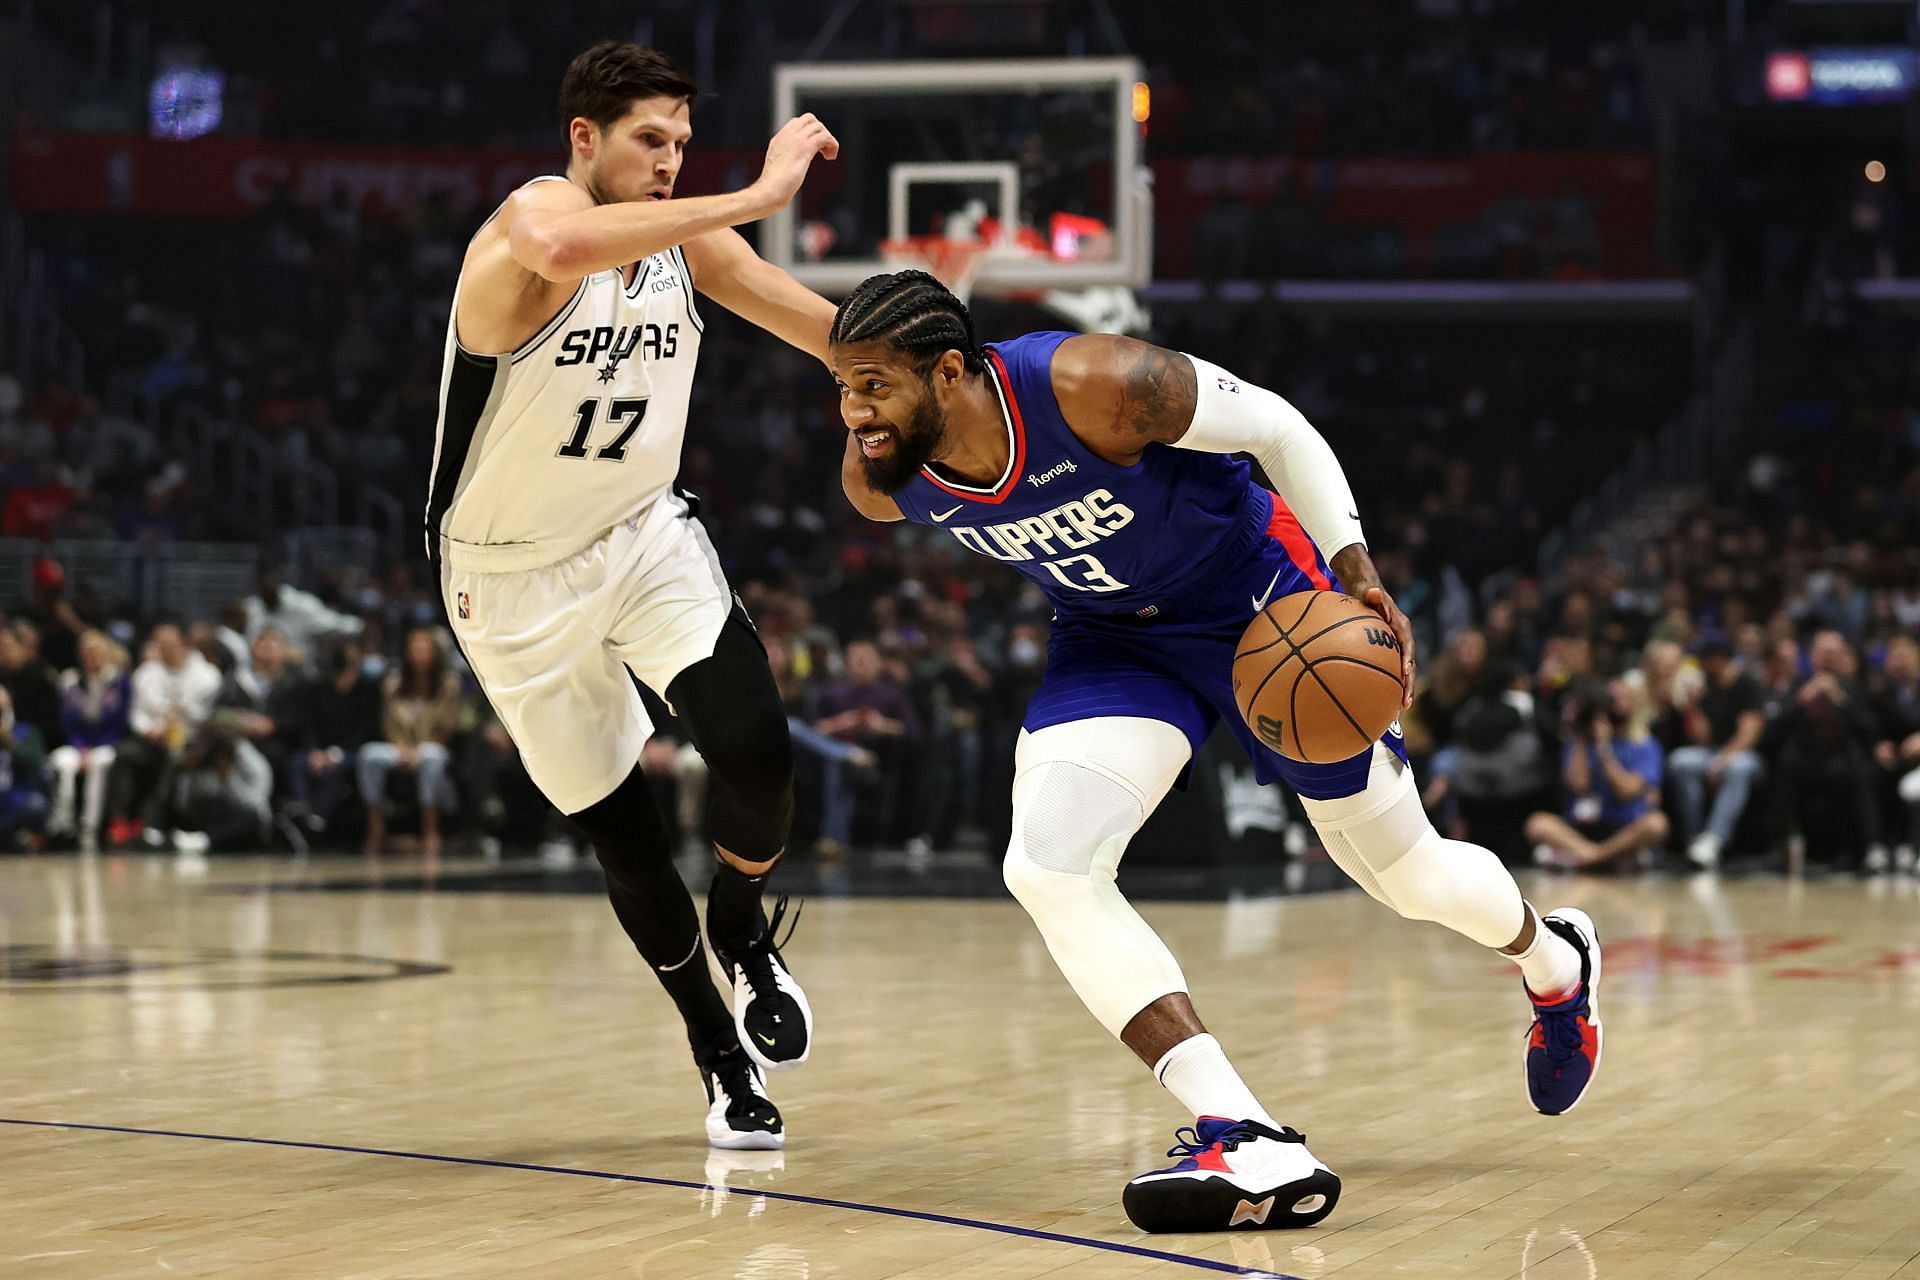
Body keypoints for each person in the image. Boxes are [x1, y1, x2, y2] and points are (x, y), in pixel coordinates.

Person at [830, 271, 1602, 1233]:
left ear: (949, 372)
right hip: (1111, 638)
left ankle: (1554, 956)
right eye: (845, 387)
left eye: (872, 387)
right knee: (1048, 867)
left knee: (1407, 878)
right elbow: (781, 305)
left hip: (1259, 604)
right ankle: (1242, 1129)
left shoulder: (1096, 383)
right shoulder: (885, 478)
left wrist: (1357, 573)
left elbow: (1279, 430)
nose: (855, 413)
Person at [423, 40, 841, 1147]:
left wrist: (960, 374)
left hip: (639, 531)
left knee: (757, 753)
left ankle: (743, 924)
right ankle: (716, 1051)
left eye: (682, 145)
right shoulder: (528, 223)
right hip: (508, 577)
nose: (669, 163)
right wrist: (759, 187)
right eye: (649, 142)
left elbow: (819, 328)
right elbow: (561, 241)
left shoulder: (686, 239)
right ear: (583, 139)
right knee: (629, 838)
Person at [1526, 679, 1669, 869]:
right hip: (1581, 829)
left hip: (1623, 828)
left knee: (1656, 824)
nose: (1616, 703)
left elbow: (1626, 791)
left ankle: (1584, 858)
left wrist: (1604, 748)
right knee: (1538, 824)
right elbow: (1578, 785)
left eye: (1622, 697)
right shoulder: (1578, 742)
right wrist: (1581, 735)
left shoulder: (1645, 745)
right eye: (1611, 698)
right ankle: (1604, 858)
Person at [105, 622, 222, 850]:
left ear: (183, 643)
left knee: (174, 759)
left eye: (170, 644)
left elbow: (205, 715)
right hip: (154, 740)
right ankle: (119, 821)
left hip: (192, 741)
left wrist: (179, 716)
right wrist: (149, 730)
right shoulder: (146, 674)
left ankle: (153, 826)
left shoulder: (207, 675)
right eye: (160, 645)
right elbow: (137, 714)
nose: (166, 650)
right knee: (125, 754)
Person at [357, 627, 463, 857]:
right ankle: (375, 827)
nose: (418, 653)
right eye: (414, 648)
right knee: (369, 755)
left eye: (424, 648)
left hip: (432, 746)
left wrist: (417, 752)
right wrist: (402, 749)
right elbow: (387, 723)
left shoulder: (448, 685)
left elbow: (448, 727)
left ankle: (430, 829)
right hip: (399, 747)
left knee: (430, 757)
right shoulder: (393, 684)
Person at [1667, 632, 1765, 868]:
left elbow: (1750, 733)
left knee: (1737, 767)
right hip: (1711, 752)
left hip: (1744, 755)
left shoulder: (1747, 684)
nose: (1700, 662)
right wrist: (1693, 705)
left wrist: (1722, 760)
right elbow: (1701, 738)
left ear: (1719, 658)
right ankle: (1694, 835)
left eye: (1704, 657)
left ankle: (1714, 838)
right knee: (1680, 761)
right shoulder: (1706, 687)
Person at [48, 629, 132, 852]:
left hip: (107, 743)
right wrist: (80, 747)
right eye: (87, 653)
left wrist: (96, 747)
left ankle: (89, 826)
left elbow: (120, 723)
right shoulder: (71, 681)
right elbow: (68, 722)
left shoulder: (119, 682)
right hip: (80, 744)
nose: (91, 658)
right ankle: (62, 825)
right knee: (62, 763)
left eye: (96, 653)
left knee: (99, 764)